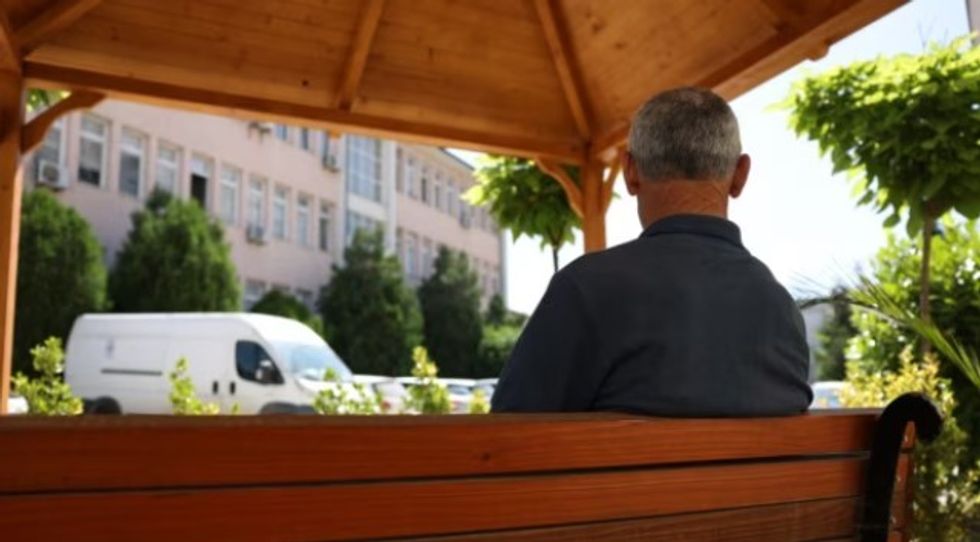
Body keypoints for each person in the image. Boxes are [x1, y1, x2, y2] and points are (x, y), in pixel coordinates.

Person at [491, 87, 812, 416]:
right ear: (740, 175)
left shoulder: (585, 290)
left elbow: (504, 435)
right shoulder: (781, 310)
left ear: (630, 172)